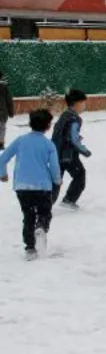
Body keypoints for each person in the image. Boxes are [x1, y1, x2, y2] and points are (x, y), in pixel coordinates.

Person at [0, 109, 60, 259]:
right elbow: (54, 167)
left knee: (28, 216)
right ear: (48, 126)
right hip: (42, 186)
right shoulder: (48, 145)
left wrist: (3, 174)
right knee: (44, 213)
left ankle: (30, 248)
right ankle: (41, 226)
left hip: (22, 186)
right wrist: (57, 180)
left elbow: (3, 158)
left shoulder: (20, 141)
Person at [51, 89, 91, 209]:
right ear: (76, 103)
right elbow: (73, 139)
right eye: (83, 103)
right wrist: (84, 150)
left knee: (56, 179)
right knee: (80, 174)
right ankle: (69, 199)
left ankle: (45, 203)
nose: (84, 106)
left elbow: (60, 134)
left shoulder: (64, 116)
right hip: (68, 154)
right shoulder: (74, 119)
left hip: (57, 152)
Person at [0, 69, 14, 150]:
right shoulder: (4, 87)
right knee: (2, 128)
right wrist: (11, 112)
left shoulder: (4, 87)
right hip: (2, 112)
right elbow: (9, 100)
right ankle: (1, 143)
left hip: (2, 112)